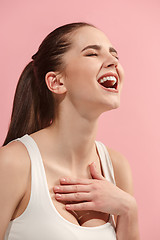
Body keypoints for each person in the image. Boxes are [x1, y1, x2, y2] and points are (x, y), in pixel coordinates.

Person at [0, 22, 140, 240]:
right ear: (56, 82)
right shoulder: (13, 163)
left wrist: (129, 209)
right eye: (92, 54)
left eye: (115, 56)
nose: (113, 62)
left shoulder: (116, 167)